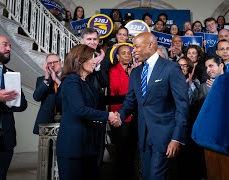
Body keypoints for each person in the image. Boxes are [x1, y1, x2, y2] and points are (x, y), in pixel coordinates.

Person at [114, 32, 190, 180]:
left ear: (150, 45)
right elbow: (130, 101)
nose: (133, 51)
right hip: (143, 136)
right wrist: (120, 116)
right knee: (148, 176)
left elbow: (182, 105)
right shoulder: (136, 72)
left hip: (165, 137)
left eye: (136, 47)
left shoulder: (171, 68)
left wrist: (177, 138)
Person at [56, 44, 118, 180]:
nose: (95, 61)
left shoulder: (86, 82)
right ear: (80, 61)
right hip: (73, 147)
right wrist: (108, 115)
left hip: (89, 146)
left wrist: (130, 97)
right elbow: (79, 109)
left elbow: (102, 100)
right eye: (92, 58)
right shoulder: (71, 81)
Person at [0, 34, 28, 180]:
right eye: (4, 44)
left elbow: (23, 104)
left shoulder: (10, 73)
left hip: (5, 141)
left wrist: (12, 100)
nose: (9, 48)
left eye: (9, 46)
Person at [108, 44, 140, 180]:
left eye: (129, 53)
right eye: (124, 53)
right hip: (120, 116)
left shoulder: (136, 70)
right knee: (121, 151)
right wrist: (132, 76)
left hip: (135, 117)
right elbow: (118, 92)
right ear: (117, 56)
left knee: (133, 151)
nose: (127, 55)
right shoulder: (113, 71)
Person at [79, 27, 108, 168]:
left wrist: (98, 66)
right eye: (89, 39)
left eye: (95, 39)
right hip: (82, 111)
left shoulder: (102, 58)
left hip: (99, 110)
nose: (92, 42)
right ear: (81, 41)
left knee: (98, 149)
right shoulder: (73, 56)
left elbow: (104, 82)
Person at [33, 53, 62, 135]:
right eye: (49, 63)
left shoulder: (68, 78)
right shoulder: (42, 80)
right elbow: (36, 97)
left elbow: (68, 94)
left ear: (60, 62)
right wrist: (46, 79)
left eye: (55, 62)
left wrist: (56, 80)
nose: (52, 65)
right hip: (46, 122)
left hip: (64, 120)